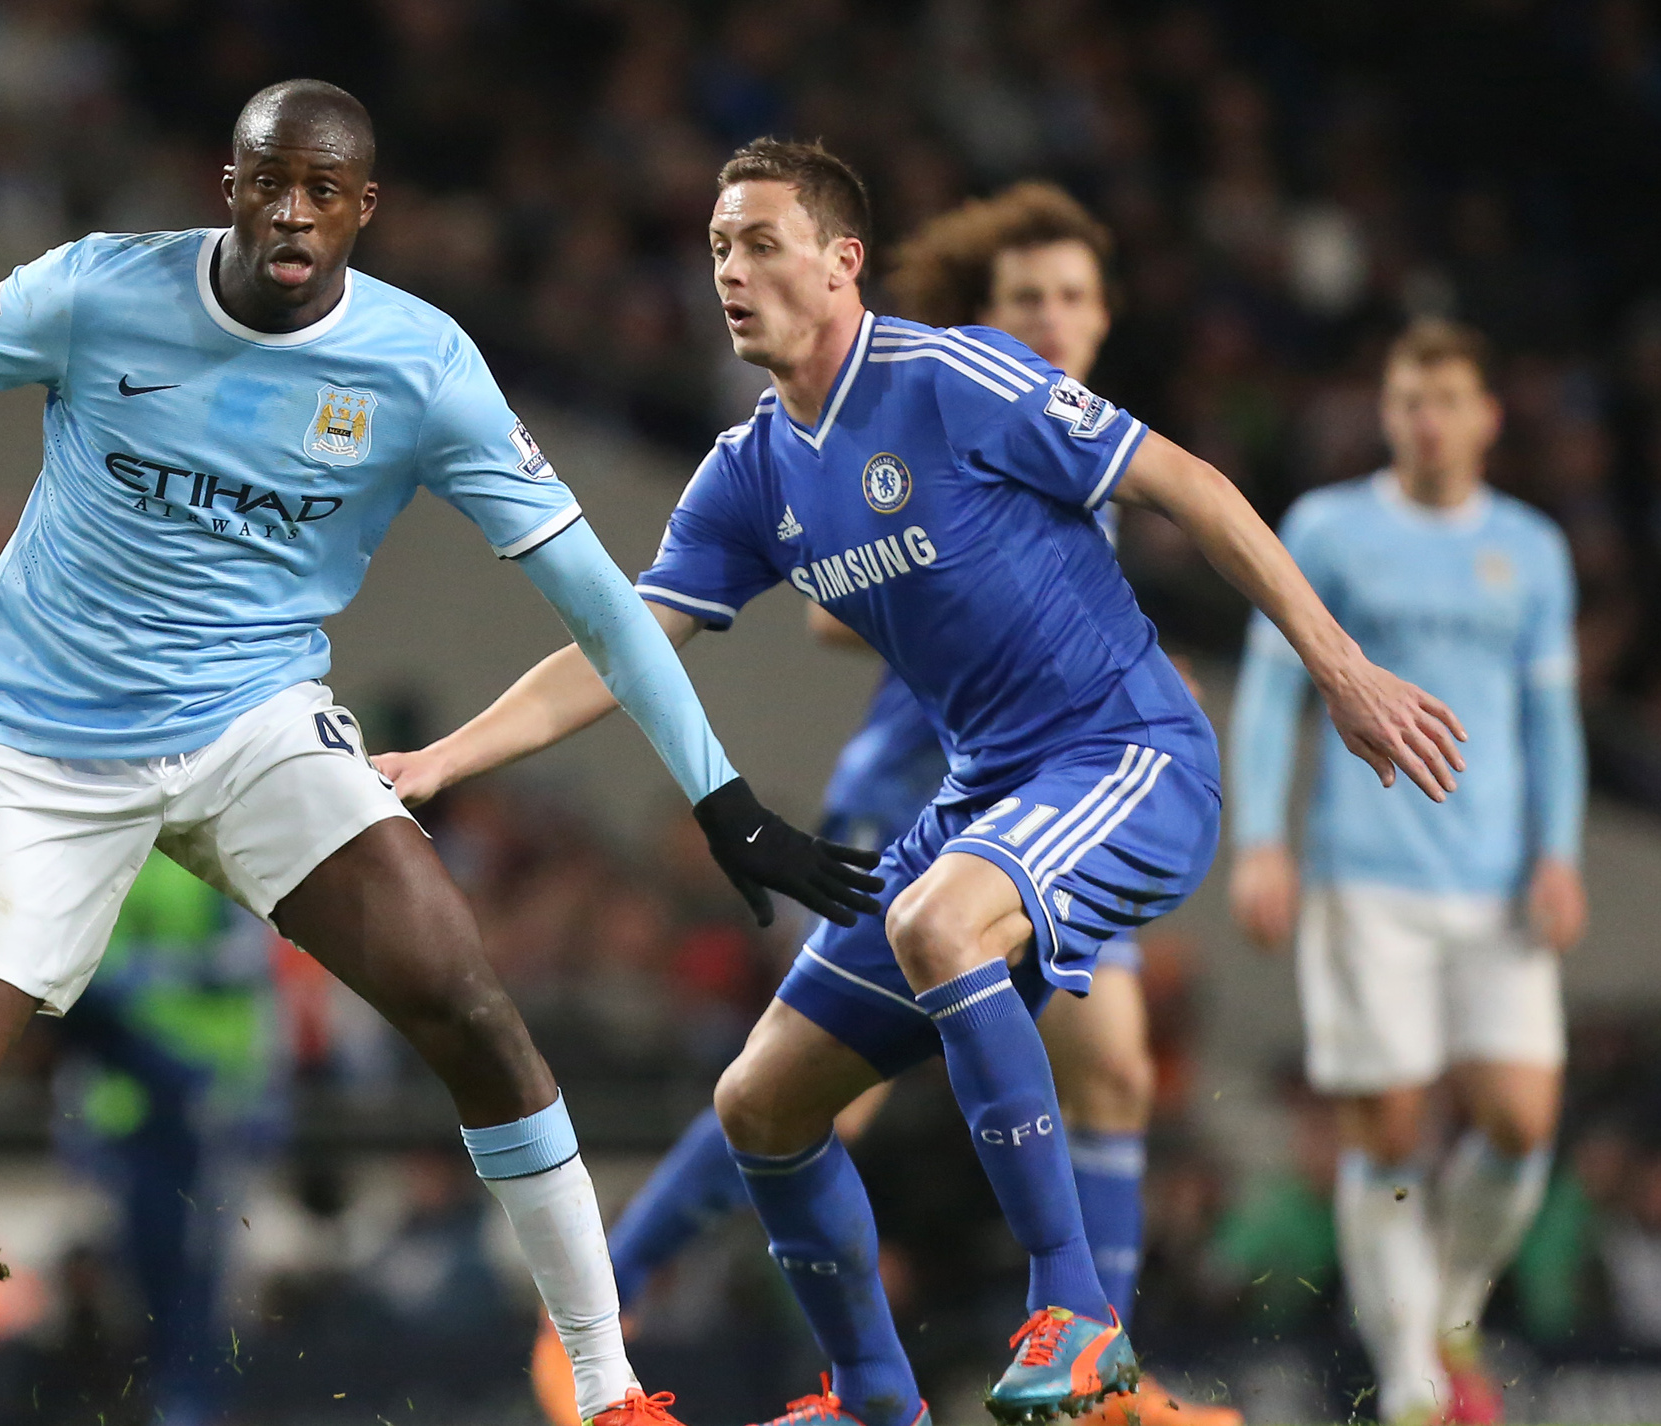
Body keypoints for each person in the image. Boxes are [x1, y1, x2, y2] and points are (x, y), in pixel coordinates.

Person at [0, 81, 885, 1426]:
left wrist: (721, 797)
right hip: (44, 745)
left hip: (252, 722)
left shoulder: (419, 366)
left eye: (325, 190)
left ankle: (606, 1387)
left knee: (463, 993)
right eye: (272, 182)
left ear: (363, 207)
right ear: (231, 185)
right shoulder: (98, 291)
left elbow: (602, 601)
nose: (294, 211)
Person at [376, 138, 1464, 1426]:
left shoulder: (950, 375)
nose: (731, 269)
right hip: (986, 795)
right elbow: (620, 644)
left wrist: (1341, 668)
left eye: (762, 242)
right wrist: (440, 761)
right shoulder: (751, 470)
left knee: (950, 927)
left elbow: (1190, 486)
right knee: (761, 1100)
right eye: (720, 246)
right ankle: (874, 1398)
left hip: (1127, 755)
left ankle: (1082, 1315)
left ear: (843, 264)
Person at [510, 182, 1234, 1426]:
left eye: (1072, 299)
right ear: (988, 314)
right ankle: (613, 1302)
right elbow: (818, 601)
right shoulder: (956, 401)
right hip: (920, 797)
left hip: (1053, 797)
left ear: (1107, 318)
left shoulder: (1073, 457)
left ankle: (1084, 1354)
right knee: (819, 1081)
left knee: (1104, 1062)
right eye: (1026, 301)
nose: (1049, 323)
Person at [1228, 318, 1583, 1426]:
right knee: (1385, 1127)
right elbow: (1271, 691)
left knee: (1521, 1121)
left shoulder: (1530, 549)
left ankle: (1454, 1300)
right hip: (1365, 873)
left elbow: (1551, 721)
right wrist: (1261, 843)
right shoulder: (1328, 530)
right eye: (1406, 402)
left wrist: (1560, 852)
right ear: (1387, 415)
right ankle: (1411, 1386)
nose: (1424, 422)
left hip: (1495, 885)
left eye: (1445, 401)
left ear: (1486, 417)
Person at [53, 849, 285, 1426]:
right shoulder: (103, 846)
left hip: (205, 1093)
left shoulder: (219, 848)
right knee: (137, 1268)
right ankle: (159, 1400)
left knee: (200, 1266)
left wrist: (262, 1090)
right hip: (129, 1101)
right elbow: (69, 972)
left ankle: (192, 1405)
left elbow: (248, 959)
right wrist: (76, 1110)